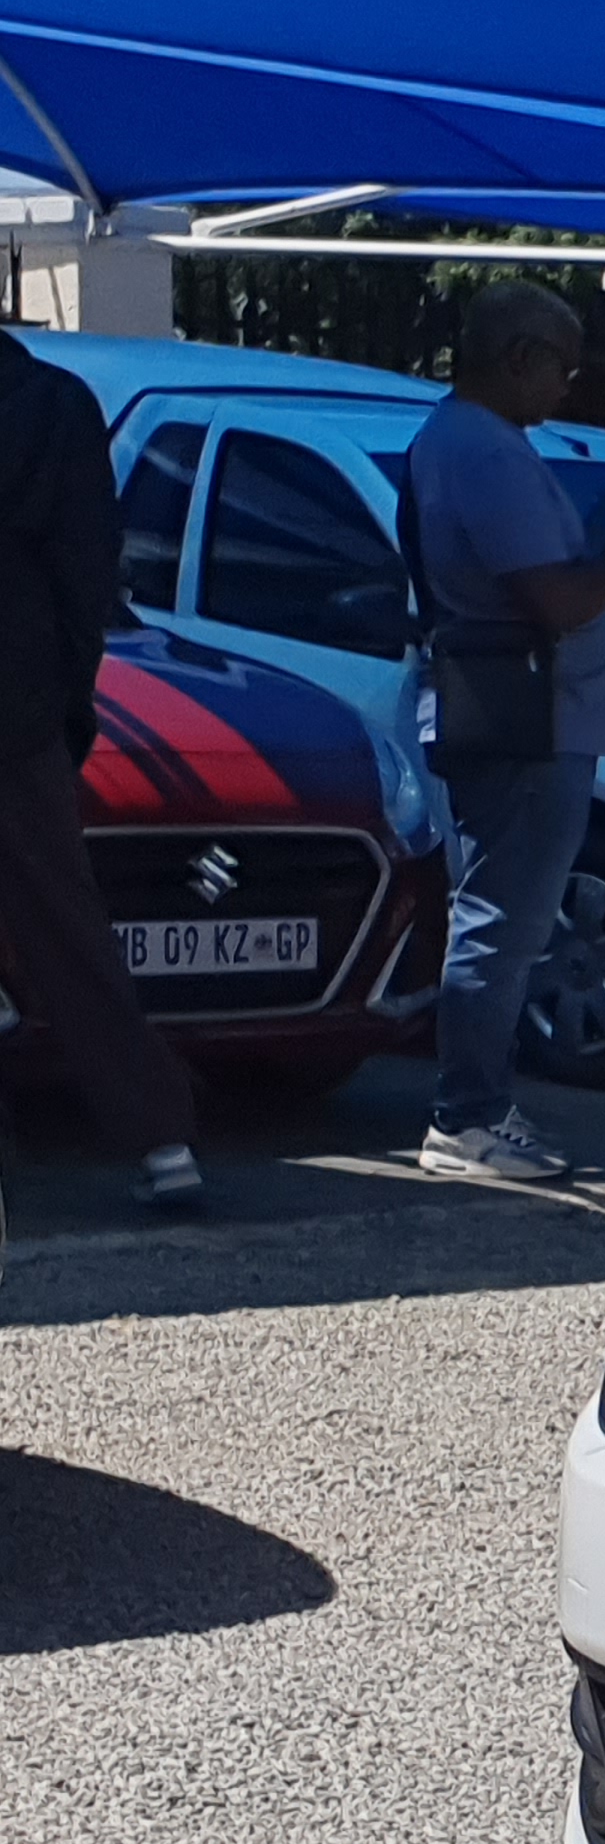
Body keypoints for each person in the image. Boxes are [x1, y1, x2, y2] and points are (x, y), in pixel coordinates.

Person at [405, 283, 605, 1182]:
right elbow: (551, 597)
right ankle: (469, 1117)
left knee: (501, 914)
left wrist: (601, 578)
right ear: (519, 358)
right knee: (503, 922)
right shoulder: (483, 454)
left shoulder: (463, 443)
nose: (567, 385)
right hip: (528, 716)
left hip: (520, 709)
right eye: (561, 365)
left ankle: (477, 1109)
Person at [0, 322, 205, 1210]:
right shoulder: (51, 404)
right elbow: (88, 570)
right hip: (18, 697)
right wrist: (65, 703)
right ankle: (159, 1139)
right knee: (68, 926)